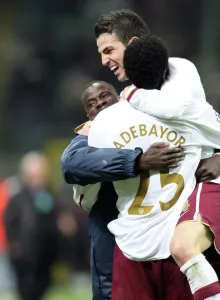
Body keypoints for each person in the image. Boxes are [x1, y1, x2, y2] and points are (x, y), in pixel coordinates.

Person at [87, 33, 220, 299]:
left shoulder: (104, 124)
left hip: (133, 239)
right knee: (187, 251)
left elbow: (84, 181)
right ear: (165, 70)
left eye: (109, 50)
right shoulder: (191, 109)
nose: (105, 60)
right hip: (174, 234)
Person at [61, 80, 185, 300]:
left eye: (104, 96)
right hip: (109, 226)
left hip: (159, 227)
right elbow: (71, 165)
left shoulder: (147, 123)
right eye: (92, 103)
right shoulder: (88, 135)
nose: (99, 103)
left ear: (119, 98)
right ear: (88, 114)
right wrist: (136, 161)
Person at [4, 152, 59, 300]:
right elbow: (10, 221)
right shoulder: (18, 198)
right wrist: (15, 244)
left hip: (45, 253)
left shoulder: (48, 196)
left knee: (42, 286)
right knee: (27, 289)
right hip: (25, 253)